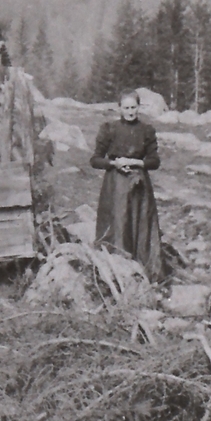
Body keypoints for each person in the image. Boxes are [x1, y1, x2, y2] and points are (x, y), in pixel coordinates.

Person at [90, 89, 163, 281]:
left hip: (140, 185)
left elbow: (155, 161)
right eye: (126, 108)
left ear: (139, 107)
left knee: (141, 225)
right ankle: (116, 274)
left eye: (133, 107)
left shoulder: (146, 130)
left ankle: (146, 274)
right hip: (116, 184)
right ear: (119, 109)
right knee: (119, 224)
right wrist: (114, 163)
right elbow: (95, 160)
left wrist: (139, 163)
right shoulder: (109, 129)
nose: (130, 111)